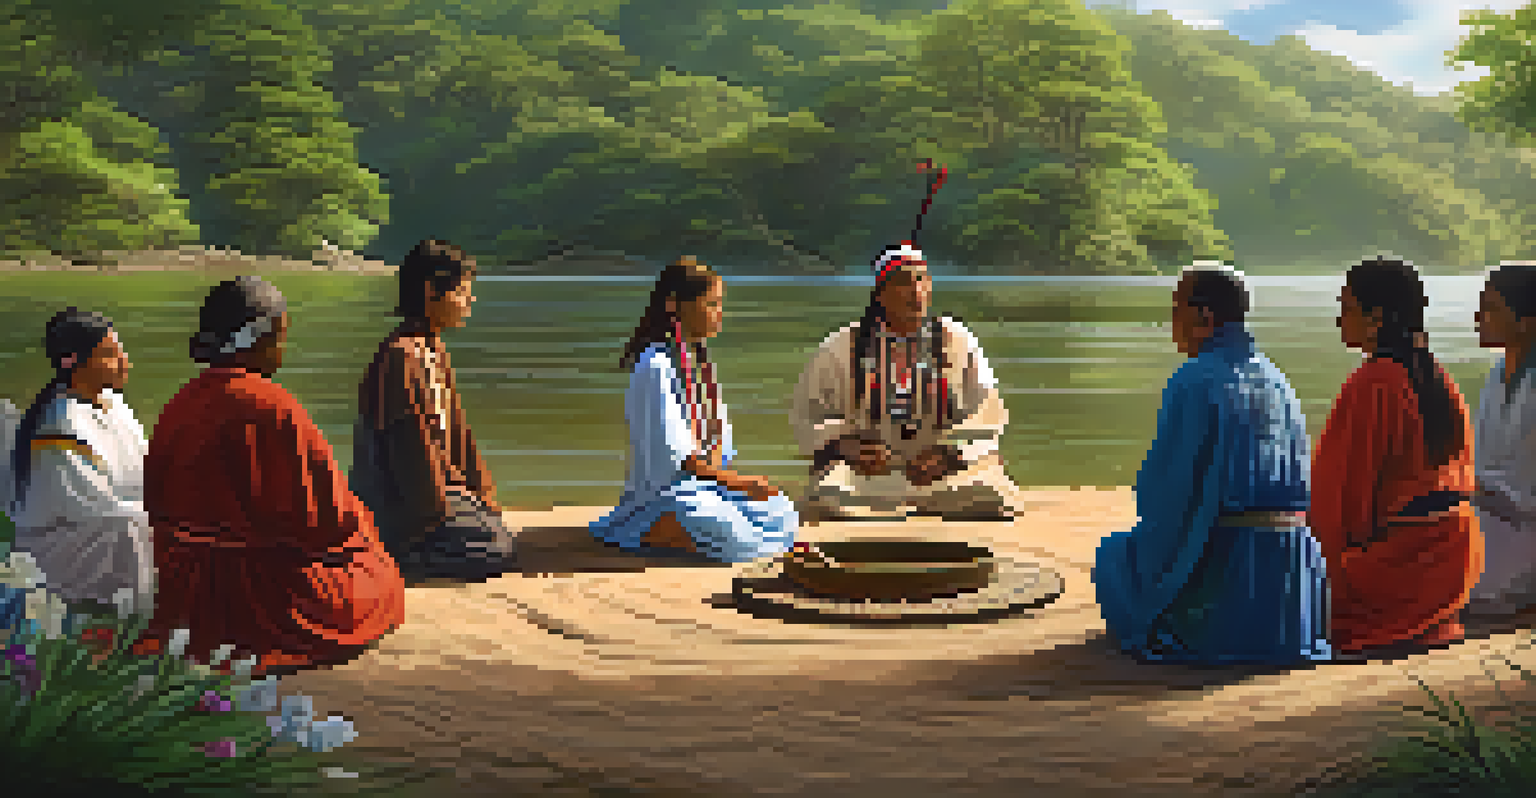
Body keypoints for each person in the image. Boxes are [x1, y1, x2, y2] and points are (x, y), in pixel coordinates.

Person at [137, 276, 404, 675]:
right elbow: (324, 521)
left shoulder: (181, 400)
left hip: (187, 586)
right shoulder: (272, 404)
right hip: (256, 592)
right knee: (379, 579)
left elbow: (156, 502)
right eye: (279, 338)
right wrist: (359, 525)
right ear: (257, 340)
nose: (282, 350)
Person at [1093, 265, 1331, 664]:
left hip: (1230, 571)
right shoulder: (1276, 378)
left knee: (1115, 558)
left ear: (1203, 317)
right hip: (1287, 583)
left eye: (1176, 309)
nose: (1170, 323)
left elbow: (1168, 493)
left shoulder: (1194, 379)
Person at [1310, 257, 1482, 656]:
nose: (1339, 320)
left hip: (1402, 572)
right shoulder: (1439, 376)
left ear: (1377, 319)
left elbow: (1339, 501)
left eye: (1347, 309)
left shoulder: (1373, 382)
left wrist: (1315, 570)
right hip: (1456, 564)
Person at [791, 241, 1024, 521]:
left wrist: (949, 454)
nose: (916, 292)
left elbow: (987, 414)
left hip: (943, 475)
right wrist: (847, 447)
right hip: (868, 476)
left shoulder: (957, 339)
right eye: (903, 282)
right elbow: (809, 418)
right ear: (881, 293)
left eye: (921, 280)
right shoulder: (841, 346)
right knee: (828, 496)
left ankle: (905, 506)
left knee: (994, 496)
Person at [590, 256, 798, 562]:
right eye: (711, 304)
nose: (720, 314)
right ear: (675, 305)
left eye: (720, 304)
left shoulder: (699, 364)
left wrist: (738, 482)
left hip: (707, 488)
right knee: (714, 521)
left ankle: (694, 536)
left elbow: (717, 448)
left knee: (782, 510)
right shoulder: (656, 365)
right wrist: (741, 482)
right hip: (669, 495)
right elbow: (676, 458)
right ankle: (654, 528)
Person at [352, 239, 514, 582]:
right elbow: (410, 453)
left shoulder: (433, 349)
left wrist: (482, 496)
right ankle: (407, 553)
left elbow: (458, 436)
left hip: (436, 489)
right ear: (431, 291)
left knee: (495, 531)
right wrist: (433, 517)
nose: (470, 302)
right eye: (462, 292)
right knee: (493, 548)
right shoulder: (401, 357)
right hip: (402, 502)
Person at [1, 309, 154, 619]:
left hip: (106, 520)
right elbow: (91, 507)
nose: (125, 362)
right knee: (133, 528)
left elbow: (146, 467)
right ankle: (140, 625)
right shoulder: (60, 423)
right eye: (110, 355)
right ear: (73, 361)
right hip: (65, 542)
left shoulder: (115, 405)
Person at [1467, 262, 1536, 620]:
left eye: (1491, 308)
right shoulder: (1497, 373)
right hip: (1493, 513)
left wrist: (1481, 490)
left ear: (1527, 321)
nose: (1478, 316)